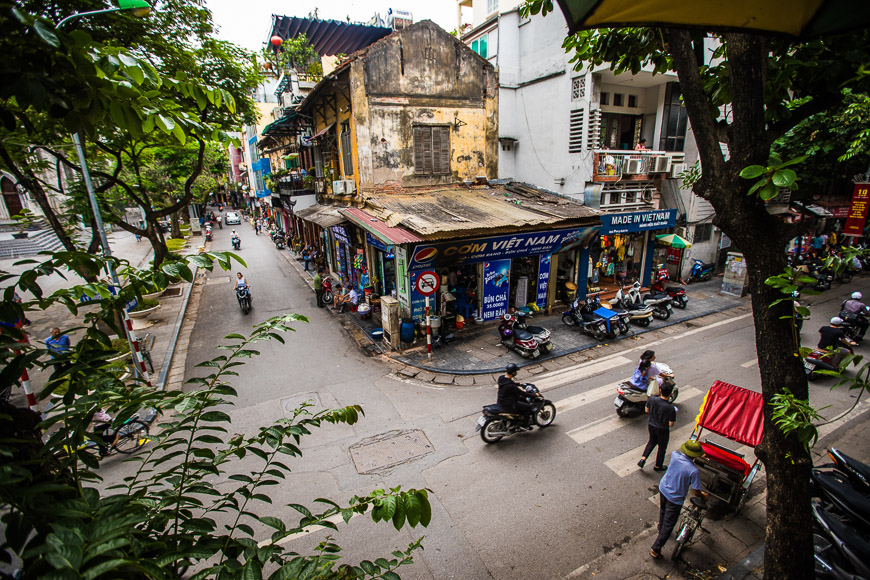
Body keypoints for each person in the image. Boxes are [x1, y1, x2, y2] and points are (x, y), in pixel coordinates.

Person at [649, 440, 708, 559]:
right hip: (675, 498)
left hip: (664, 488)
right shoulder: (693, 471)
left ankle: (660, 528)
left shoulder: (675, 456)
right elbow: (696, 491)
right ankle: (656, 549)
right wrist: (703, 495)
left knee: (663, 511)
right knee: (669, 523)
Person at [638, 381, 677, 472]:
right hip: (662, 429)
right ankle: (658, 466)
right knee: (662, 448)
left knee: (651, 441)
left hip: (651, 425)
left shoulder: (652, 399)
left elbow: (646, 410)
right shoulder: (670, 408)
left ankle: (643, 459)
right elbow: (671, 424)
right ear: (670, 394)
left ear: (660, 390)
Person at [497, 363, 535, 428]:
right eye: (516, 371)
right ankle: (525, 425)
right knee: (528, 407)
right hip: (510, 404)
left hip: (501, 401)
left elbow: (509, 383)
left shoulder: (501, 378)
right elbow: (522, 393)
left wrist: (519, 384)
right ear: (513, 373)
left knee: (521, 399)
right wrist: (533, 395)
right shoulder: (511, 386)